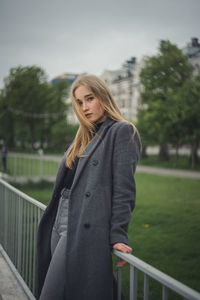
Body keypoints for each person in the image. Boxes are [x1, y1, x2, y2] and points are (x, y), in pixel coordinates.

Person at [36, 74, 141, 300]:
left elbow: (124, 190)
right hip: (59, 218)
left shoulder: (122, 131)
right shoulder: (83, 135)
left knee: (51, 294)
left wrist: (119, 234)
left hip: (83, 221)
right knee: (71, 289)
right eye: (79, 102)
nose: (84, 107)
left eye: (89, 98)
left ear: (103, 95)